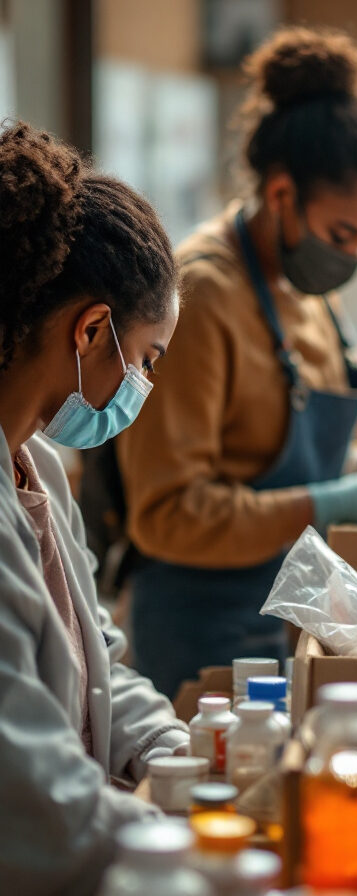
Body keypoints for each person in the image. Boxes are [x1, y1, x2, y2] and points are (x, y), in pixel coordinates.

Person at [115, 27, 357, 698]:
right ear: (281, 194)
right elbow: (167, 514)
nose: (352, 258)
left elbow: (285, 435)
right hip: (203, 624)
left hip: (289, 605)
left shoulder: (310, 295)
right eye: (342, 235)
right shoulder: (204, 297)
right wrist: (322, 502)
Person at [0, 121, 189, 894]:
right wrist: (167, 833)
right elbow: (23, 780)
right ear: (90, 329)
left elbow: (97, 658)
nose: (141, 386)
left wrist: (179, 751)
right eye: (146, 360)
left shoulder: (38, 464)